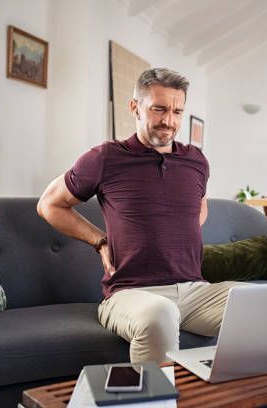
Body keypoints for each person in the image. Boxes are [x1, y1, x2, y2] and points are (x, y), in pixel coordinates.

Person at [37, 67, 242, 364]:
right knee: (161, 313)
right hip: (130, 294)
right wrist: (99, 241)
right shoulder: (106, 157)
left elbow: (199, 206)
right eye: (159, 109)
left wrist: (176, 231)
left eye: (177, 111)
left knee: (256, 302)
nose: (169, 121)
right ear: (135, 107)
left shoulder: (196, 161)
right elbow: (49, 205)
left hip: (195, 291)